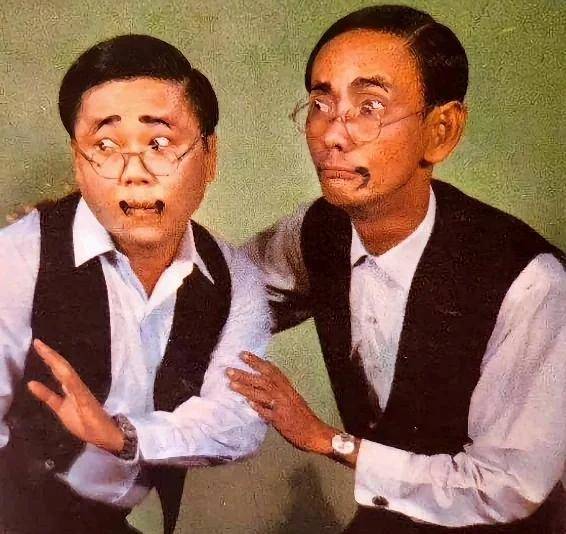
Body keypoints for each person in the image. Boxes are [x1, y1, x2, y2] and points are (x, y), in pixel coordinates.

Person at [229, 5, 566, 533]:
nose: (333, 135)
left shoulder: (530, 281)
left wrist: (326, 440)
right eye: (320, 103)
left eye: (369, 107)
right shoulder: (317, 230)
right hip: (391, 518)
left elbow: (505, 488)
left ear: (441, 131)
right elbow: (222, 291)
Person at [0, 34, 269, 534]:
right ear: (78, 162)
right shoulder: (17, 258)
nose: (135, 173)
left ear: (210, 156)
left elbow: (239, 420)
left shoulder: (235, 278)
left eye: (159, 144)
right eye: (105, 146)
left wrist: (123, 435)